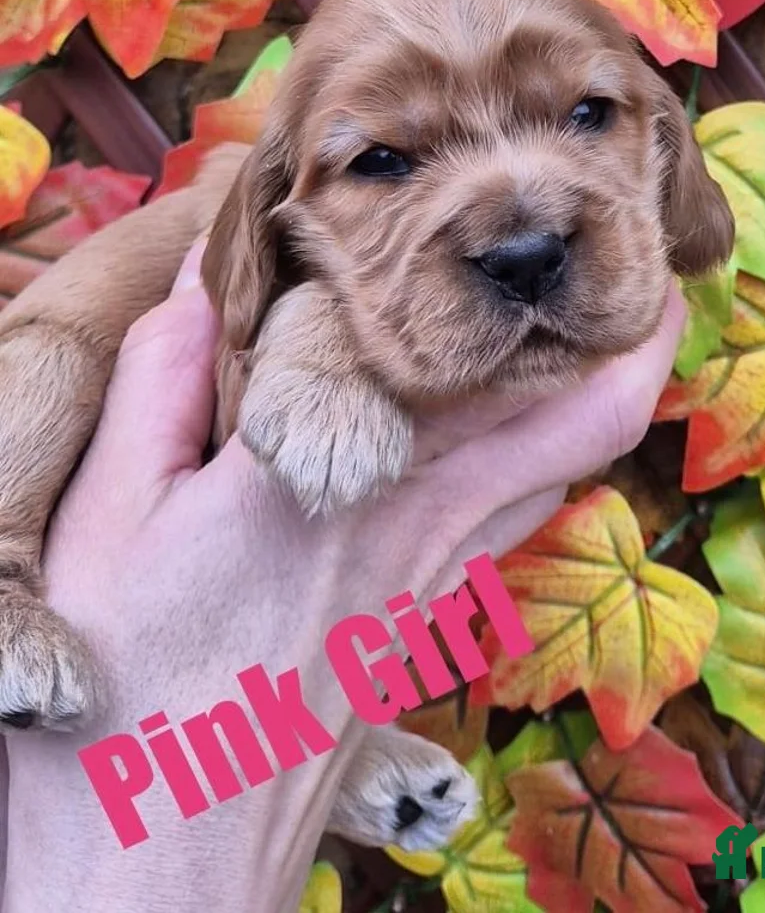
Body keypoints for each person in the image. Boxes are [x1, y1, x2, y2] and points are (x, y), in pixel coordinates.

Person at [0, 242, 686, 912]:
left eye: (590, 119)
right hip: (61, 394)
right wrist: (322, 345)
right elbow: (259, 288)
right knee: (46, 369)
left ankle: (265, 753)